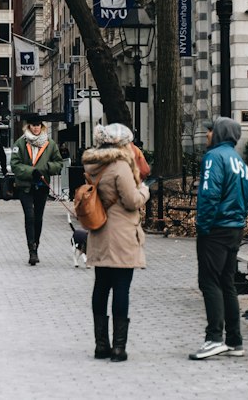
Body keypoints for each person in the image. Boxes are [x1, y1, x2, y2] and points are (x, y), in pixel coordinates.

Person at [81, 122, 150, 363]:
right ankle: (119, 347)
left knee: (101, 286)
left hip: (99, 231)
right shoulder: (120, 166)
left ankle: (101, 345)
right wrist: (144, 191)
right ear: (122, 144)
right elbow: (131, 200)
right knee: (121, 288)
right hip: (120, 234)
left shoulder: (94, 164)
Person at [189, 117, 248, 361]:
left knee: (209, 282)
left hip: (215, 228)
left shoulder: (214, 158)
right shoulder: (239, 162)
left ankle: (214, 338)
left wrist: (202, 226)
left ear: (219, 133)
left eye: (210, 131)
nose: (206, 135)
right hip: (234, 228)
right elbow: (245, 196)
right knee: (227, 283)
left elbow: (209, 194)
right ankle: (234, 340)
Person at [10, 113, 63, 265]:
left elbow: (59, 163)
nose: (35, 128)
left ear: (42, 127)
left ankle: (36, 245)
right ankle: (31, 250)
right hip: (25, 186)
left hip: (42, 186)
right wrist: (31, 171)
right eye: (33, 126)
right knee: (30, 216)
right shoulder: (20, 143)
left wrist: (46, 167)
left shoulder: (50, 144)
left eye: (38, 125)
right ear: (28, 127)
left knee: (38, 218)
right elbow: (15, 164)